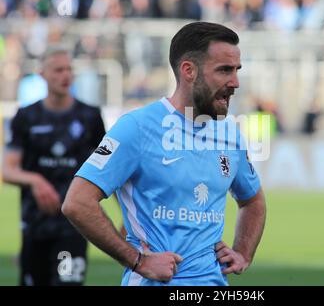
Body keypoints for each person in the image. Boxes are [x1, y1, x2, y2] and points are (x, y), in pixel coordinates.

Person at [62, 22, 267, 286]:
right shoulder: (136, 127)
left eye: (237, 70)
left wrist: (243, 253)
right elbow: (77, 202)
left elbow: (253, 202)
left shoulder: (230, 133)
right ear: (188, 71)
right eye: (224, 70)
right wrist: (138, 261)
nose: (235, 82)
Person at [2, 47, 106, 286]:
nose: (65, 75)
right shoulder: (26, 116)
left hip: (74, 224)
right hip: (34, 224)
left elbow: (108, 169)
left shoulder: (89, 116)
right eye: (58, 70)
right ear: (42, 74)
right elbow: (7, 170)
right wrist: (35, 181)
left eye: (69, 69)